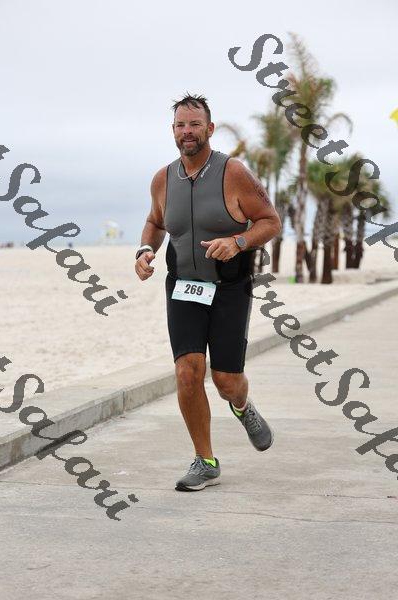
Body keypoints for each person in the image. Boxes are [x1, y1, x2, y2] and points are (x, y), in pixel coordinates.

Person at [135, 93, 281, 492]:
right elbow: (155, 222)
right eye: (181, 125)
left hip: (230, 286)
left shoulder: (233, 173)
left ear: (210, 129)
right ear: (173, 131)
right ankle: (206, 461)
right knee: (187, 371)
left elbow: (270, 221)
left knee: (226, 380)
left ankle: (243, 406)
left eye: (195, 124)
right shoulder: (163, 179)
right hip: (183, 286)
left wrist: (237, 242)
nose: (187, 131)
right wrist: (145, 250)